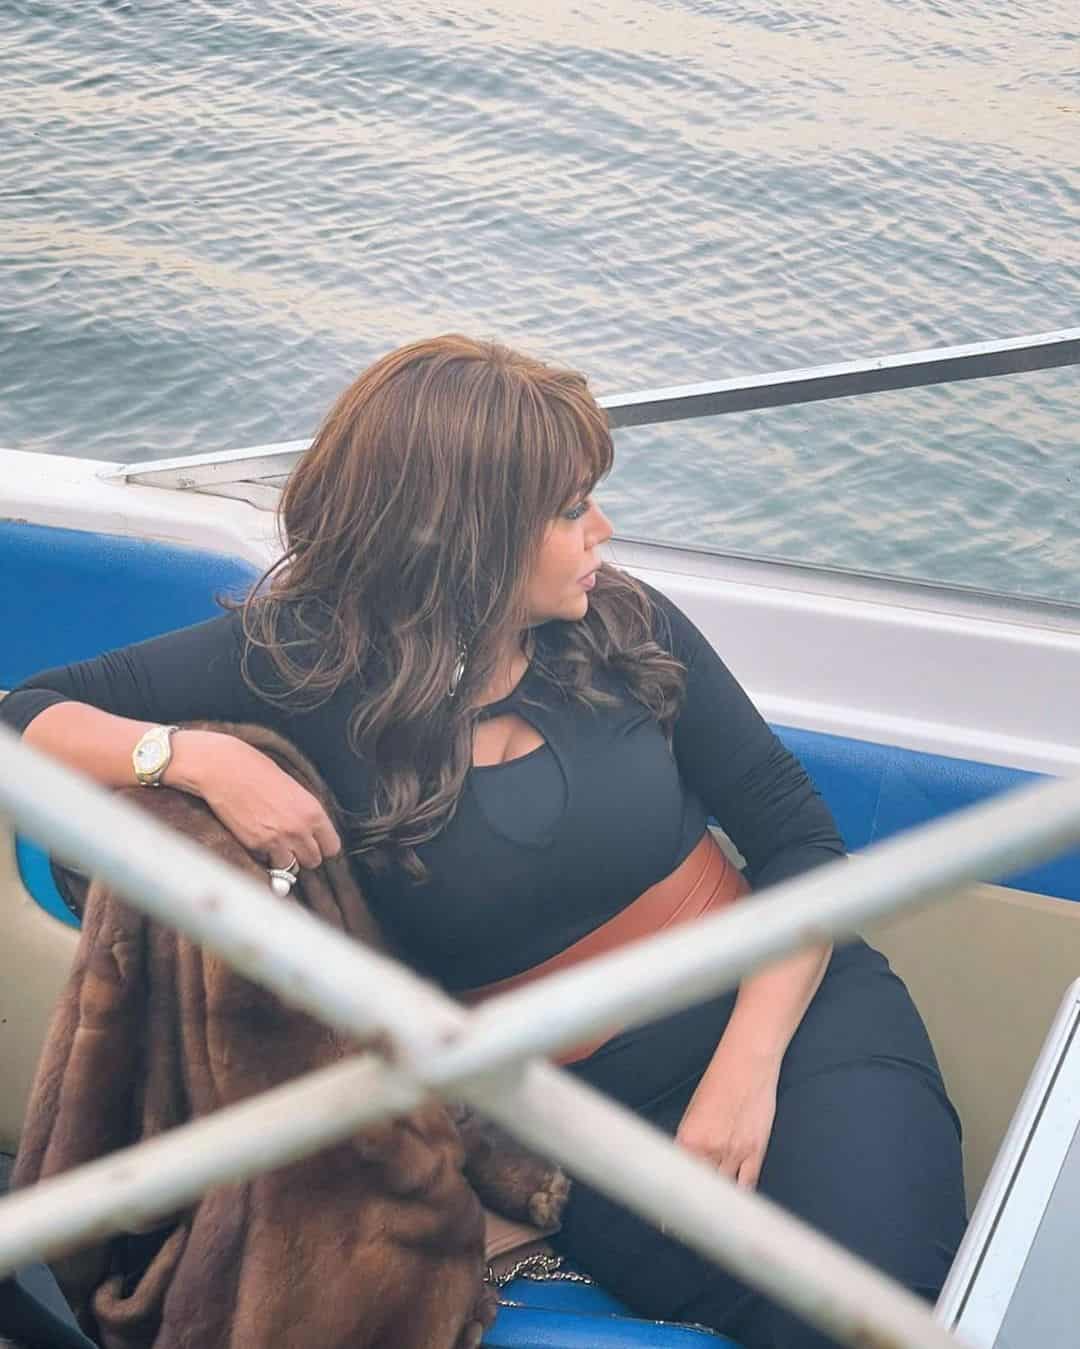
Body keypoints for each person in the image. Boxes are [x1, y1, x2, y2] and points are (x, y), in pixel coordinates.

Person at [0, 334, 966, 1347]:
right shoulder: (295, 662)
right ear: (473, 533)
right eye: (570, 509)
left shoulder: (629, 624)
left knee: (880, 1305)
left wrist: (744, 1068)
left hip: (787, 1021)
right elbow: (26, 715)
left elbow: (800, 837)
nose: (603, 529)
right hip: (571, 1120)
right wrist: (187, 756)